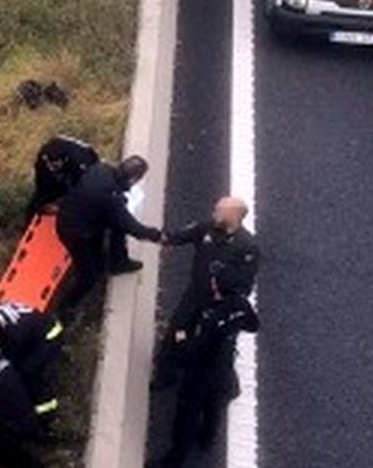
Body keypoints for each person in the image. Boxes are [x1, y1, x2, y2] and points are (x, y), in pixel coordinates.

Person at [147, 263, 259, 468]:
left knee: (185, 419)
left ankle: (173, 463)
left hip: (200, 377)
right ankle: (207, 439)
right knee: (213, 407)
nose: (212, 280)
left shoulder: (212, 319)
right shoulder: (241, 305)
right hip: (223, 371)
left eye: (215, 279)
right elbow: (253, 326)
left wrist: (180, 341)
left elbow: (192, 352)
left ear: (218, 288)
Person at [153, 196, 260, 389]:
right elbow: (177, 236)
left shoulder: (247, 247)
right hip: (195, 295)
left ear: (234, 216)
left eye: (219, 210)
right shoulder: (206, 228)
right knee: (177, 331)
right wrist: (156, 236)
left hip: (219, 304)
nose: (214, 213)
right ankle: (166, 374)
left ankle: (218, 379)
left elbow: (244, 285)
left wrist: (224, 276)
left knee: (215, 346)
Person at [54, 155, 163, 312]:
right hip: (74, 232)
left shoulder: (101, 169)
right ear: (132, 179)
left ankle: (118, 262)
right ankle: (63, 309)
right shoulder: (111, 197)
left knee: (116, 226)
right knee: (88, 277)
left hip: (75, 217)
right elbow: (133, 228)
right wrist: (157, 235)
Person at [0, 301, 65, 422]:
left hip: (49, 337)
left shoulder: (14, 334)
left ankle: (47, 413)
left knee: (27, 372)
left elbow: (9, 361)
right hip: (40, 326)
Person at [25, 134, 100, 219]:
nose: (53, 168)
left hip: (82, 174)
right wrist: (44, 204)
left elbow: (86, 191)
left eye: (56, 165)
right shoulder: (43, 159)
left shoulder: (82, 161)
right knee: (35, 204)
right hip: (63, 173)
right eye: (51, 165)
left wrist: (63, 207)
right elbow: (41, 186)